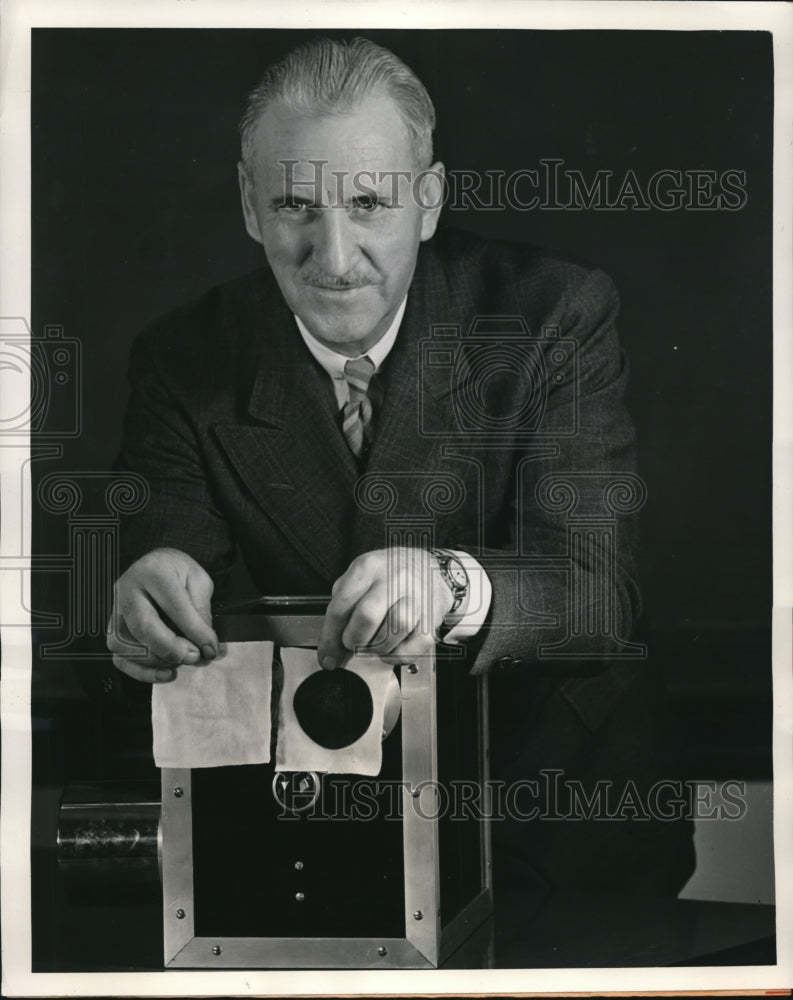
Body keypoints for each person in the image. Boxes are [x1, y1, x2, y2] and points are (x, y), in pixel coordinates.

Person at [108, 36, 694, 895]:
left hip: (552, 814)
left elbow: (595, 591)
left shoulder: (550, 315)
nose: (335, 257)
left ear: (428, 201)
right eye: (295, 206)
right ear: (247, 204)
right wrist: (150, 594)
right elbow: (174, 558)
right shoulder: (180, 360)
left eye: (370, 204)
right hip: (321, 836)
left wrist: (451, 587)